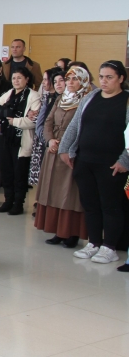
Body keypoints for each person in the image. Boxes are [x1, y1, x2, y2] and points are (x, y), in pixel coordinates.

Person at [59, 60, 129, 264]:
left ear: (121, 79)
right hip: (85, 160)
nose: (104, 81)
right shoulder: (91, 97)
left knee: (111, 205)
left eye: (109, 77)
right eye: (102, 77)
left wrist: (125, 160)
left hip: (112, 164)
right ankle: (94, 242)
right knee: (90, 204)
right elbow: (74, 125)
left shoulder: (125, 101)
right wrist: (65, 148)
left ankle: (110, 246)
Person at [35, 67, 84, 247]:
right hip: (53, 149)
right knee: (52, 190)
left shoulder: (85, 100)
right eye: (67, 79)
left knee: (68, 193)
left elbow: (80, 128)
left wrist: (64, 145)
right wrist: (49, 140)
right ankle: (57, 231)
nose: (69, 83)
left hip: (69, 151)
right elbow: (48, 121)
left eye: (73, 80)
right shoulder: (61, 99)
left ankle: (71, 233)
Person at [0, 67, 41, 215]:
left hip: (22, 139)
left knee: (19, 173)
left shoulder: (33, 96)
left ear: (27, 79)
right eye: (14, 78)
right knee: (7, 171)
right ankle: (8, 200)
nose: (16, 81)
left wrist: (13, 121)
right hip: (6, 138)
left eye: (19, 78)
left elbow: (33, 121)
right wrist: (8, 115)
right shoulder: (9, 93)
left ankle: (18, 203)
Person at [29, 67, 62, 186]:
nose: (43, 82)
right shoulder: (47, 96)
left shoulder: (59, 98)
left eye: (45, 79)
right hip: (43, 138)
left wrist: (47, 138)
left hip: (52, 139)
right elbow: (42, 119)